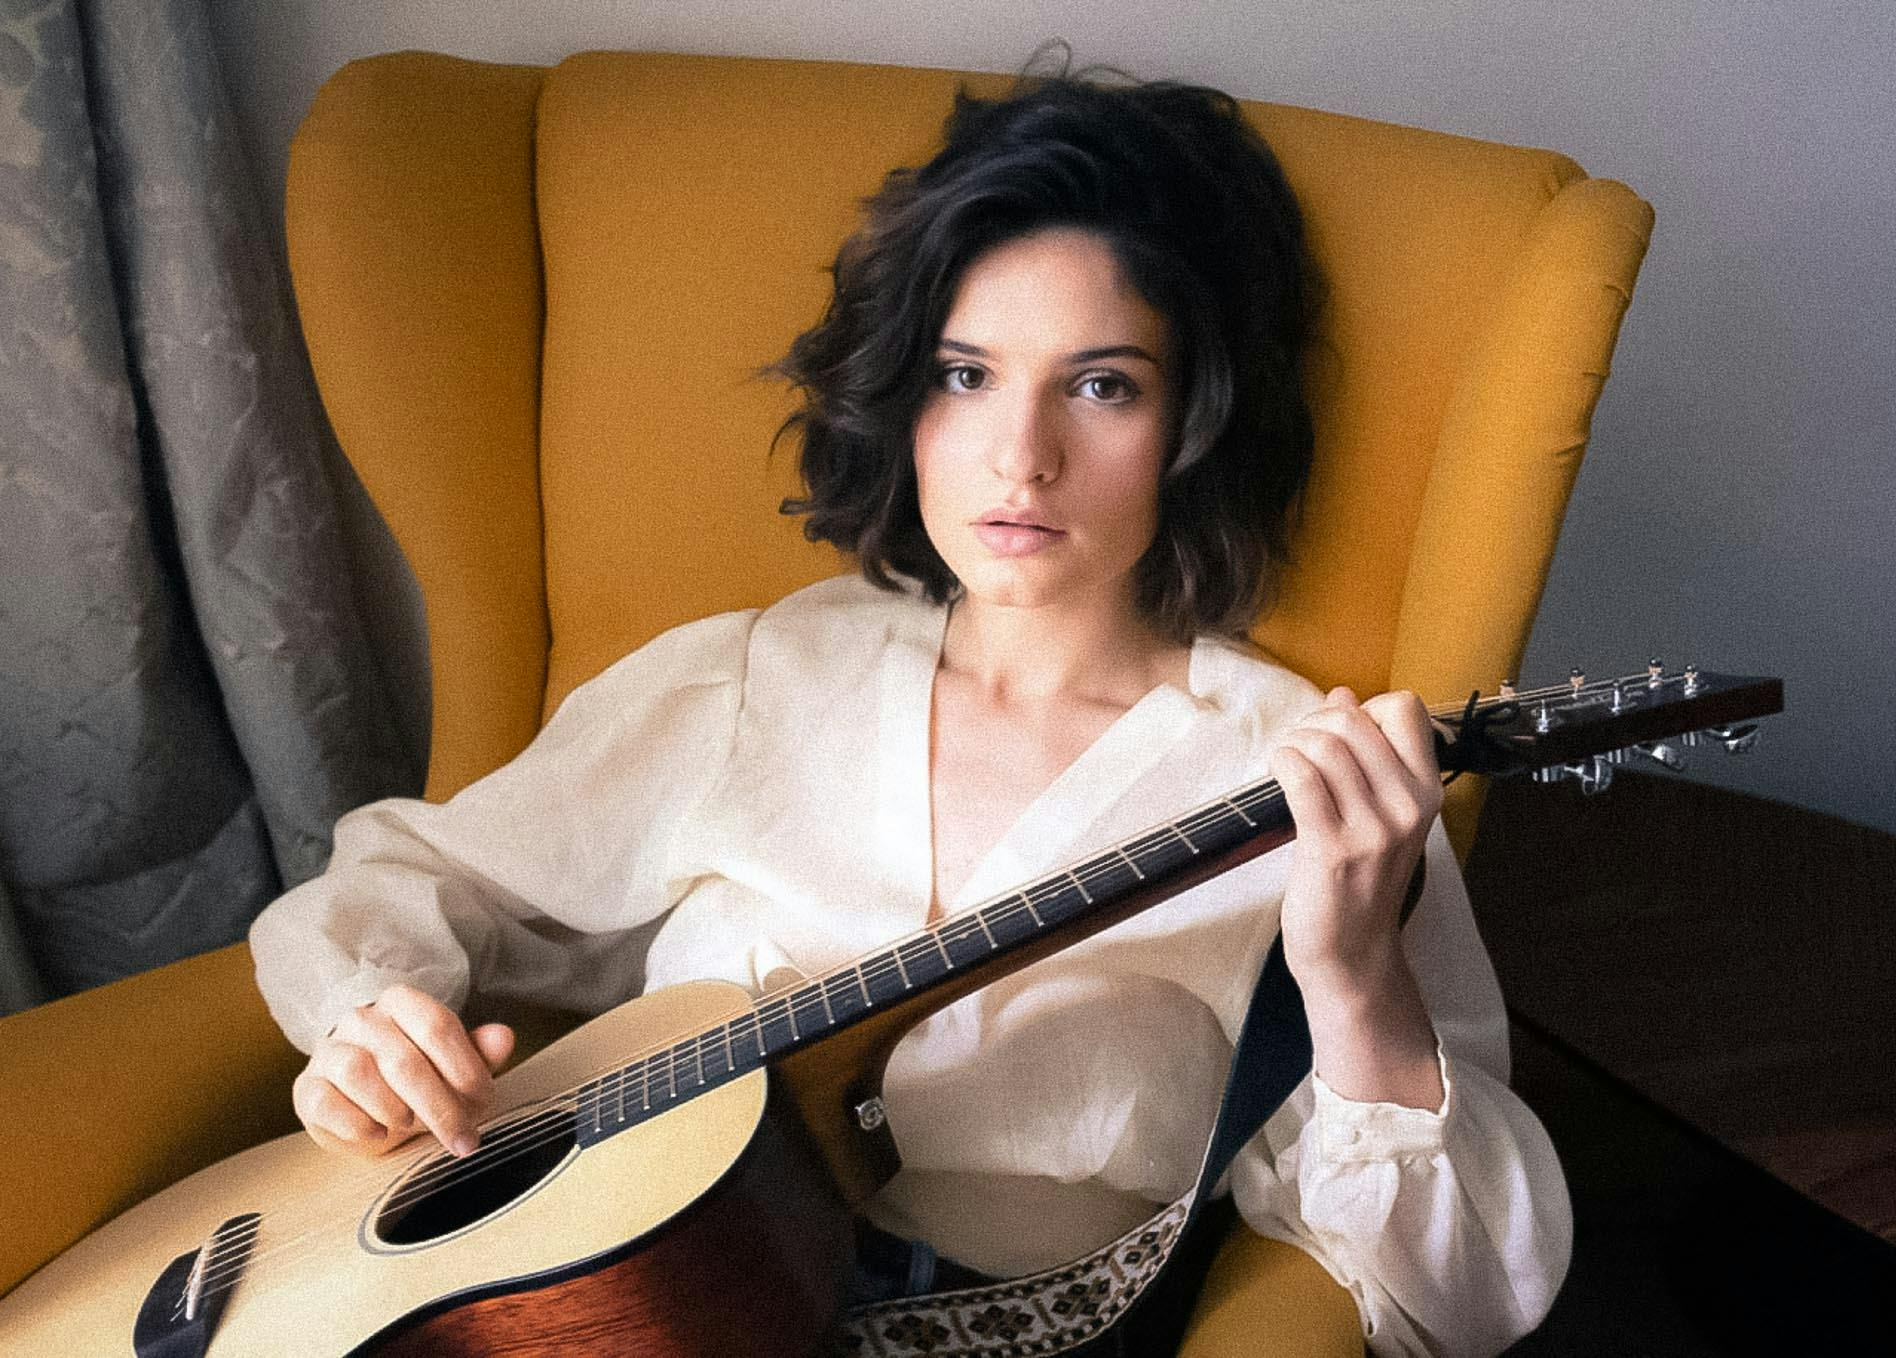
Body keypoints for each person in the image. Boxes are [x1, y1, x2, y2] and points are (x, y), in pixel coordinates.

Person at [249, 61, 1570, 1357]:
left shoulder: (1312, 780)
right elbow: (404, 877)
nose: (1023, 455)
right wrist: (371, 1022)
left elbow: (1453, 1288)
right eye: (966, 374)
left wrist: (1353, 979)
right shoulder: (761, 677)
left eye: (1102, 383)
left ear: (1192, 423)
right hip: (601, 1301)